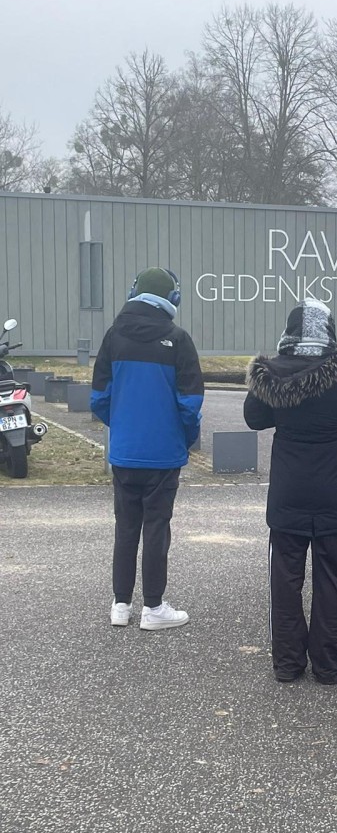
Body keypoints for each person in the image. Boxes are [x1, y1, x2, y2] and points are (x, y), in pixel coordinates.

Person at [244, 299, 337, 685]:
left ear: (289, 330)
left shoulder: (270, 372)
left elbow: (254, 418)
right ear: (329, 331)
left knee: (285, 579)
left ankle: (288, 663)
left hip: (287, 490)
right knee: (334, 577)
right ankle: (328, 663)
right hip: (332, 490)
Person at [91, 267, 203, 630]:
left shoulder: (113, 337)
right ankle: (153, 608)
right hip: (164, 454)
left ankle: (120, 605)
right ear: (173, 299)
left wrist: (124, 426)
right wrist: (184, 436)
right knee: (157, 527)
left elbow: (99, 398)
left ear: (134, 293)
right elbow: (190, 404)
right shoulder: (179, 340)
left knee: (125, 527)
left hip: (125, 452)